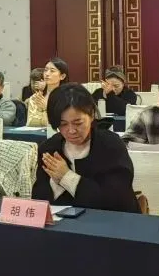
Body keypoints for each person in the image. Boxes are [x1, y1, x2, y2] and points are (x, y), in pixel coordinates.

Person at [31, 84, 141, 212]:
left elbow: (116, 199)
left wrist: (66, 177)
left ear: (92, 115)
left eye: (78, 123)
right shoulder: (49, 148)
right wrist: (55, 183)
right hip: (62, 221)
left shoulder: (110, 145)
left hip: (113, 220)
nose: (71, 131)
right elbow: (39, 199)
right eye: (63, 124)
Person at [26, 59, 70, 127]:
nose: (47, 74)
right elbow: (31, 123)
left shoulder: (67, 97)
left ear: (62, 76)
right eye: (45, 70)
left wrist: (46, 108)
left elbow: (63, 122)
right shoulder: (36, 97)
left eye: (52, 71)